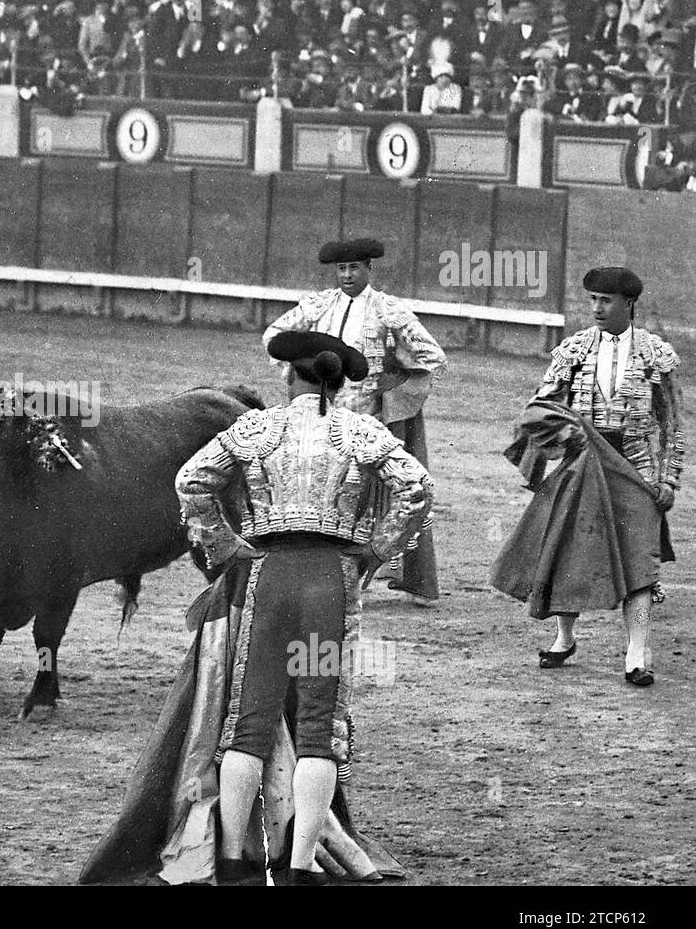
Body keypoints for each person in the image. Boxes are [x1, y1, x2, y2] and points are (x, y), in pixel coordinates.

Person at [80, 331, 434, 885]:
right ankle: (295, 867)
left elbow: (190, 480)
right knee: (319, 727)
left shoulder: (255, 428)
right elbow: (415, 488)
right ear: (338, 384)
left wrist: (226, 549)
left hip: (266, 576)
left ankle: (231, 859)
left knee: (248, 724)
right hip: (330, 580)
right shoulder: (363, 431)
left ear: (289, 376)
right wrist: (375, 550)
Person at [492, 268, 682, 687]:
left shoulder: (656, 354)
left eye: (606, 300)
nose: (596, 308)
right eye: (592, 299)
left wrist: (668, 479)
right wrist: (565, 434)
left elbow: (671, 425)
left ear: (629, 304)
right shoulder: (573, 351)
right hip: (582, 462)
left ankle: (635, 655)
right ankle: (564, 637)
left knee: (640, 561)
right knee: (569, 550)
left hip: (636, 468)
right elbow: (538, 408)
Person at [262, 238, 447, 602]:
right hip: (320, 412)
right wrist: (299, 375)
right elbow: (274, 337)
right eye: (341, 269)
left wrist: (391, 387)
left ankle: (363, 575)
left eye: (354, 268)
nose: (347, 275)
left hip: (367, 419)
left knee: (367, 498)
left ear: (369, 269)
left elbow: (432, 357)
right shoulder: (318, 304)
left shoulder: (388, 310)